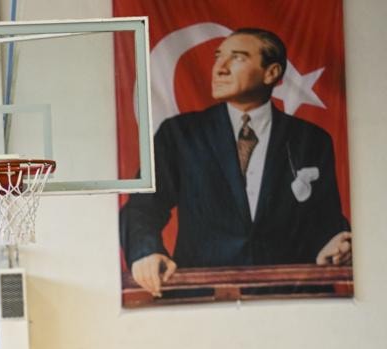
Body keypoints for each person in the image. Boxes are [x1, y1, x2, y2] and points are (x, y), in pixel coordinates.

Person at [120, 27, 351, 297]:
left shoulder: (311, 139)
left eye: (238, 57)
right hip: (202, 299)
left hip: (291, 298)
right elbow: (141, 208)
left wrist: (337, 242)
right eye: (218, 57)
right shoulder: (179, 135)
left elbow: (325, 219)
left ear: (271, 73)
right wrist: (146, 252)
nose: (220, 68)